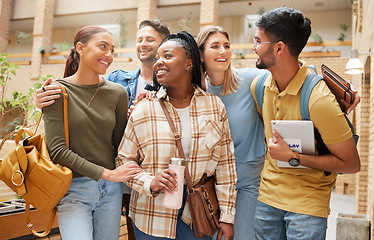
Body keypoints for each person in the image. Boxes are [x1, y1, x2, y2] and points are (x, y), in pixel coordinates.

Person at [34, 19, 169, 240]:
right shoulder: (57, 90)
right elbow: (57, 151)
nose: (109, 54)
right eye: (103, 46)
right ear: (80, 47)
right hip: (74, 190)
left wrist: (143, 110)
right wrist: (108, 173)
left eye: (112, 49)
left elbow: (121, 143)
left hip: (111, 191)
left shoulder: (117, 93)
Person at [249, 7, 360, 240]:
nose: (253, 47)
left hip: (307, 207)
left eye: (258, 41)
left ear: (279, 48)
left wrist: (294, 157)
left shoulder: (319, 100)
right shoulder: (259, 87)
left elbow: (351, 164)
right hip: (267, 199)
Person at [115, 31, 237, 240]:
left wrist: (227, 216)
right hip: (151, 217)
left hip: (198, 215)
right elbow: (123, 160)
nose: (158, 63)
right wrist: (149, 181)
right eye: (157, 58)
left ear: (189, 64)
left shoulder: (214, 106)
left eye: (167, 56)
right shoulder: (144, 108)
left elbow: (225, 165)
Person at [196, 25, 266, 240]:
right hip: (211, 180)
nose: (223, 51)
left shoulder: (252, 80)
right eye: (215, 46)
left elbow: (293, 73)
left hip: (248, 178)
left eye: (226, 46)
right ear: (200, 54)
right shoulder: (197, 93)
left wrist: (340, 91)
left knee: (243, 236)